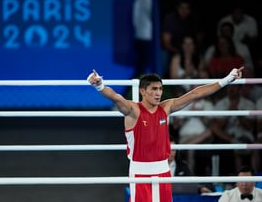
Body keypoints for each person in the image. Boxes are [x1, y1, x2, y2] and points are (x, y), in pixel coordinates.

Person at [87, 67, 244, 202]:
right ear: (143, 91)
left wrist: (227, 79)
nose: (158, 93)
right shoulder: (133, 111)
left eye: (160, 89)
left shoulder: (166, 107)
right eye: (153, 89)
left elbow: (196, 94)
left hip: (163, 170)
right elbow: (116, 98)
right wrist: (100, 85)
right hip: (140, 172)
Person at [131, 0, 154, 79]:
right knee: (142, 65)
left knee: (142, 64)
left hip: (142, 35)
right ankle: (134, 86)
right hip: (145, 36)